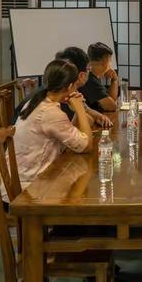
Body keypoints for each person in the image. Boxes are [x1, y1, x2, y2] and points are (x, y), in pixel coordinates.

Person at [10, 59, 92, 193]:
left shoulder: (37, 100)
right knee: (78, 193)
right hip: (28, 187)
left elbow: (69, 137)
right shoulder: (50, 112)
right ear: (71, 86)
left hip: (21, 178)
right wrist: (80, 109)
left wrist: (77, 112)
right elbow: (86, 146)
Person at [11, 46, 113, 128]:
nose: (89, 72)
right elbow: (85, 124)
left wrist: (99, 116)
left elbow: (86, 110)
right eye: (88, 69)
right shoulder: (60, 94)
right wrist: (87, 115)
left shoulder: (59, 88)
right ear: (81, 75)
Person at [80, 42, 118, 112]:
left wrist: (114, 80)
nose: (111, 64)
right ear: (105, 61)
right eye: (110, 60)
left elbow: (111, 99)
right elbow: (111, 107)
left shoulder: (93, 76)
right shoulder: (89, 79)